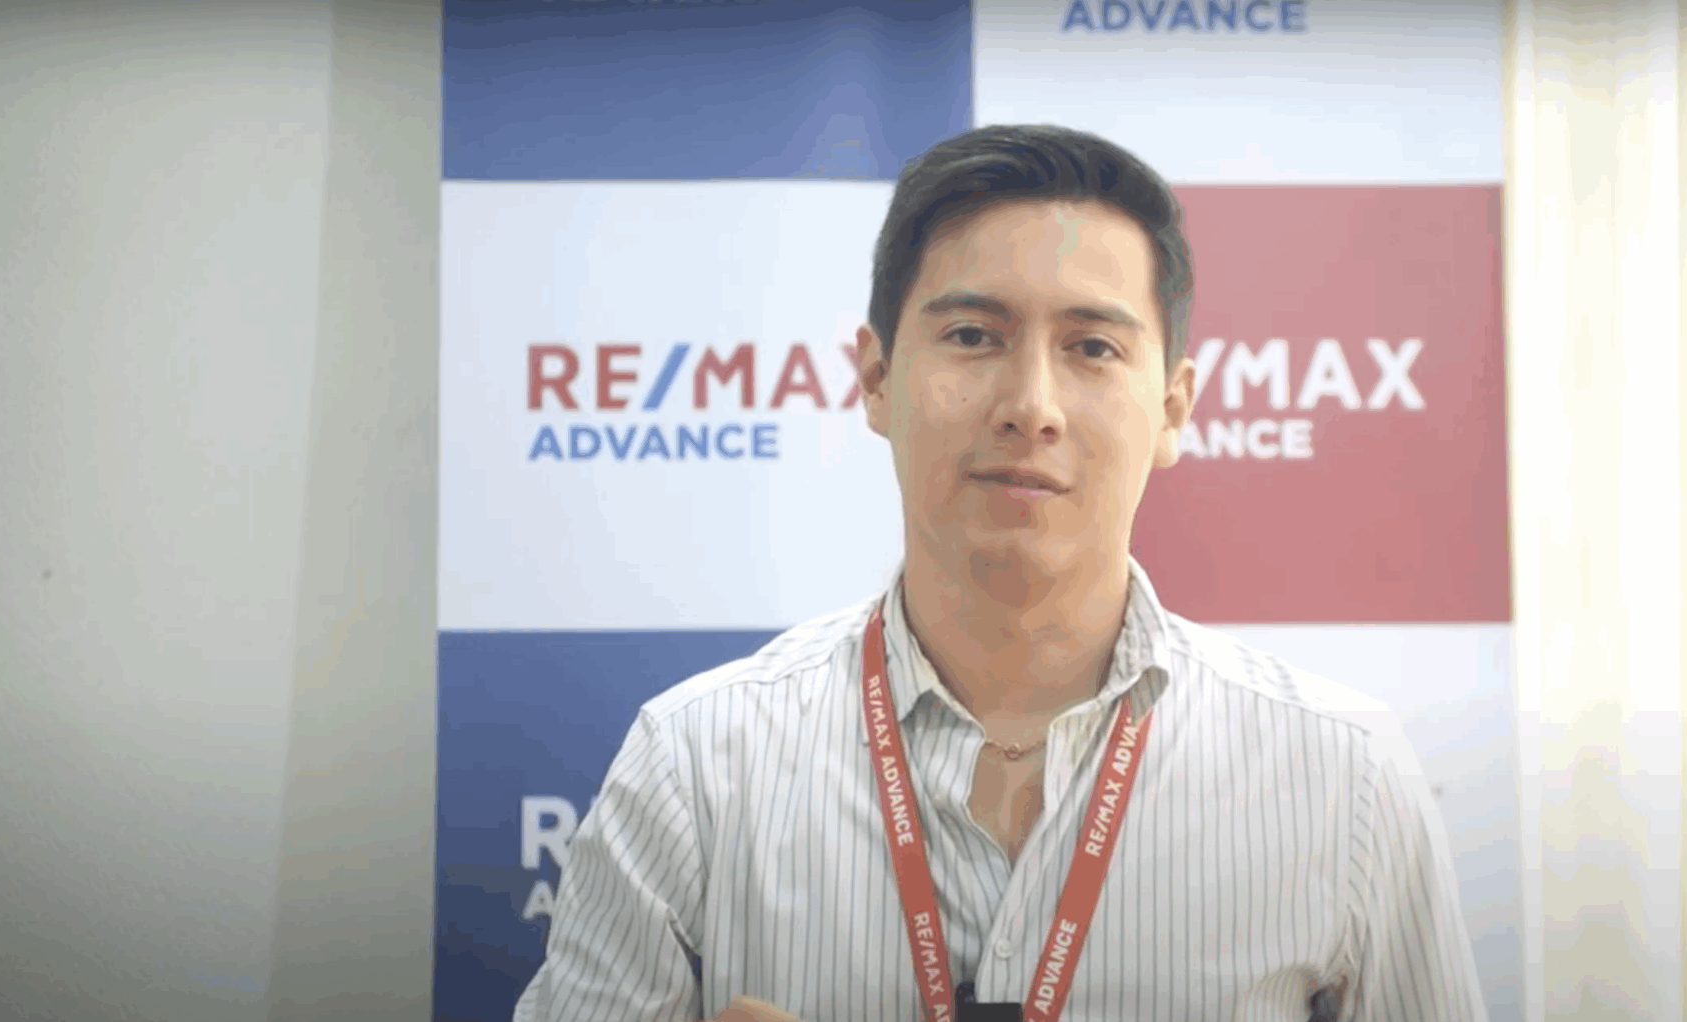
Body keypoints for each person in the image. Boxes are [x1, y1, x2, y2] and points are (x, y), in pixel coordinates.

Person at [511, 124, 1488, 1022]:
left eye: (1092, 347)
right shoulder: (692, 765)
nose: (1031, 405)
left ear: (1173, 408)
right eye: (974, 336)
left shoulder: (1344, 774)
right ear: (876, 379)